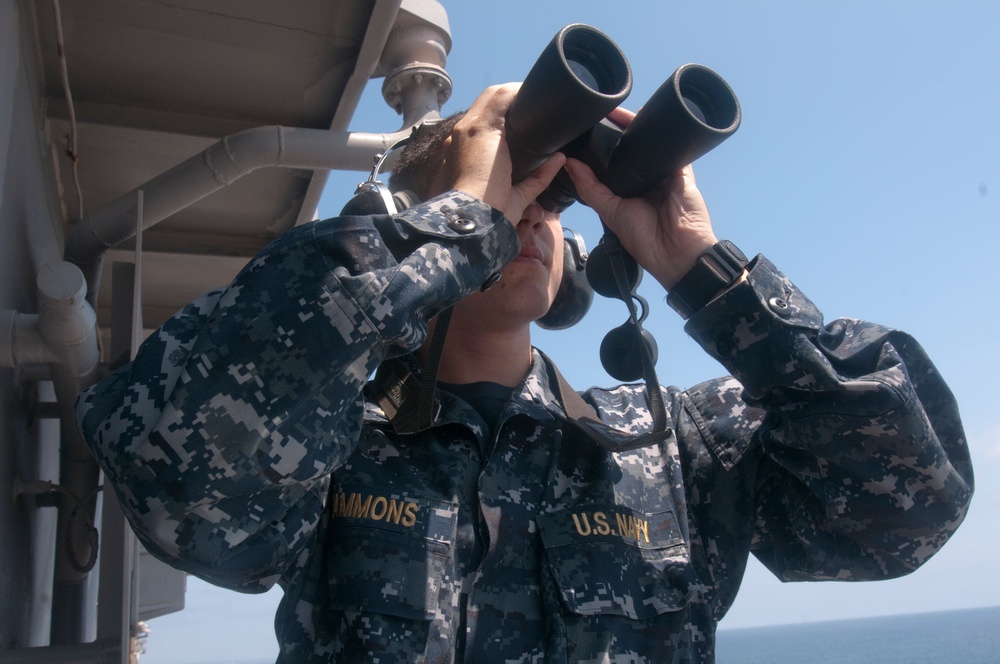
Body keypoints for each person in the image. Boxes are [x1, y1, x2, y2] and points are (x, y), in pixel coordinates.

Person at [76, 83, 974, 662]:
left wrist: (703, 270)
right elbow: (173, 473)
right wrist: (454, 221)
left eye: (552, 204)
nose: (531, 218)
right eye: (512, 193)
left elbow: (903, 510)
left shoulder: (674, 448)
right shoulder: (328, 442)